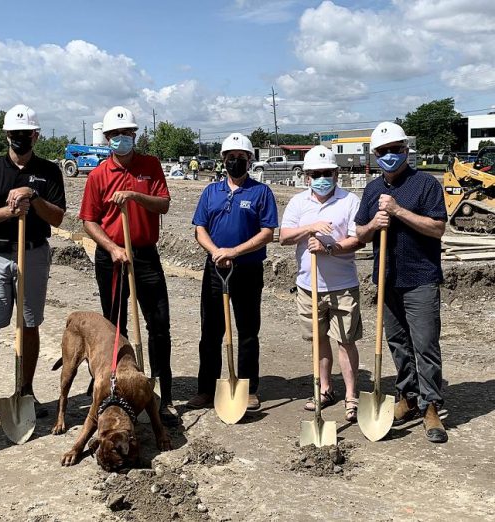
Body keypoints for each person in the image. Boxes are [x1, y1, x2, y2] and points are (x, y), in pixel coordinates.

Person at [0, 105, 66, 430]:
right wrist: (8, 210)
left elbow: (58, 218)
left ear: (35, 135)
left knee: (29, 325)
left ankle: (25, 390)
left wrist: (33, 197)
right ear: (6, 135)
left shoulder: (49, 171)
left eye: (26, 134)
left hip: (33, 254)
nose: (20, 139)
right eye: (15, 134)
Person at [78, 105, 176, 426]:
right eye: (116, 134)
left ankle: (163, 392)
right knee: (114, 327)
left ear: (134, 135)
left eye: (127, 133)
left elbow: (163, 203)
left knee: (158, 324)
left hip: (145, 254)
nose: (122, 138)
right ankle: (114, 384)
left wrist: (135, 195)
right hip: (112, 258)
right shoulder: (97, 175)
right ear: (107, 138)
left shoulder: (151, 165)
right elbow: (89, 221)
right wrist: (112, 247)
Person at [355, 121, 448, 443]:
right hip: (386, 277)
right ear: (375, 155)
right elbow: (359, 233)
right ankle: (407, 396)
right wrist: (372, 225)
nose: (390, 156)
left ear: (406, 150)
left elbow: (437, 228)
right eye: (383, 152)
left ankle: (430, 406)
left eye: (395, 150)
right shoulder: (371, 189)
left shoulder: (425, 184)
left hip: (420, 277)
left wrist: (397, 211)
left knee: (425, 345)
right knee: (398, 344)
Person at [187, 133, 278, 411]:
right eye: (230, 158)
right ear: (223, 160)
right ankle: (206, 388)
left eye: (241, 158)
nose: (235, 162)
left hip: (247, 269)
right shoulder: (210, 191)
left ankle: (248, 388)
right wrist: (216, 251)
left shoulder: (261, 192)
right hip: (215, 268)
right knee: (211, 330)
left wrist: (234, 252)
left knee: (248, 330)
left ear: (249, 160)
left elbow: (267, 233)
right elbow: (199, 228)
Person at [279, 146, 364, 422]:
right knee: (318, 340)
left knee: (346, 341)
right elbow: (283, 236)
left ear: (336, 173)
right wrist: (310, 228)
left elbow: (357, 240)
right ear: (307, 176)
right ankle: (324, 389)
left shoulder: (350, 201)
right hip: (308, 285)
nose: (322, 178)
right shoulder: (298, 203)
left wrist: (329, 248)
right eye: (316, 174)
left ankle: (351, 396)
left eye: (327, 173)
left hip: (343, 285)